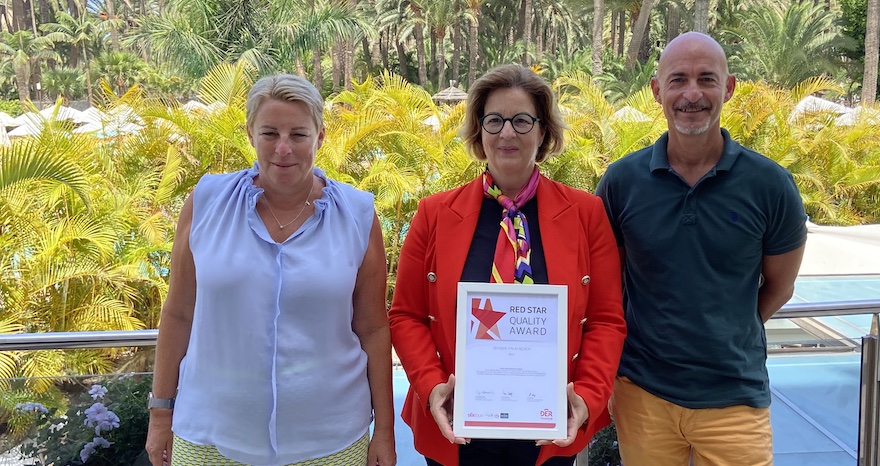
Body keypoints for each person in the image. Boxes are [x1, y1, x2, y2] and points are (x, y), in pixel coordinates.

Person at [145, 74, 396, 466]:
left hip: (329, 441)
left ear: (320, 136)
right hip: (210, 436)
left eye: (298, 134)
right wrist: (160, 414)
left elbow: (374, 328)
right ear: (250, 134)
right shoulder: (207, 202)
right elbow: (178, 313)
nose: (283, 148)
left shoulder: (358, 215)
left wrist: (384, 431)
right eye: (269, 133)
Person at [388, 64, 627, 466]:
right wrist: (432, 388)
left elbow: (606, 320)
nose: (507, 133)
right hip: (455, 424)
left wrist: (586, 396)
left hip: (549, 426)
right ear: (479, 132)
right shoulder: (434, 214)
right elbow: (406, 315)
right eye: (494, 121)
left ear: (544, 131)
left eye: (521, 120)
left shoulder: (586, 214)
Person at [595, 32, 807, 466]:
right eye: (678, 80)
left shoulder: (770, 186)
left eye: (706, 79)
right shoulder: (621, 183)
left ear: (728, 88)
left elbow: (780, 287)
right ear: (658, 91)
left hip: (735, 395)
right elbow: (606, 284)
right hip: (643, 393)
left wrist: (725, 331)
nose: (692, 94)